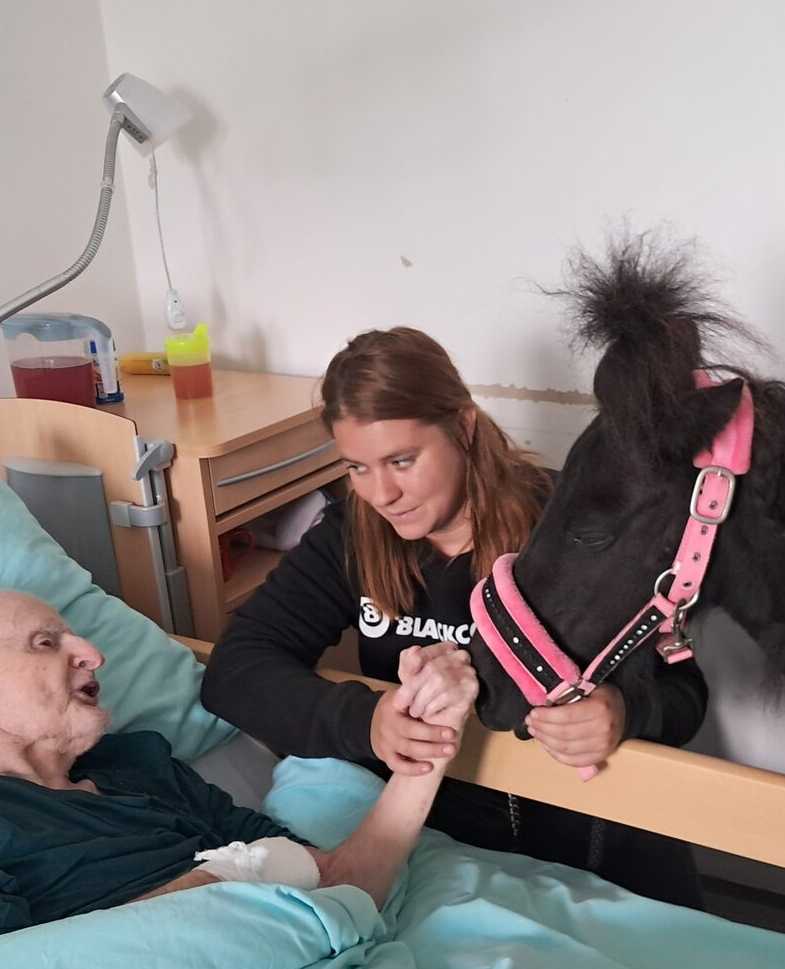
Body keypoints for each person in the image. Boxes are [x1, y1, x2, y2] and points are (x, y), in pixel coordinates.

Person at [201, 326, 708, 908]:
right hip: (444, 853)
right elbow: (235, 671)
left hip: (594, 849)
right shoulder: (349, 537)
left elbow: (685, 691)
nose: (381, 494)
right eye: (357, 468)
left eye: (401, 461)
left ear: (463, 427)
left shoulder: (570, 528)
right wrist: (368, 722)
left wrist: (623, 710)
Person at [0, 589, 455, 969]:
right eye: (45, 642)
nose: (93, 654)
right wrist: (230, 878)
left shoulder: (140, 766)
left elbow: (333, 887)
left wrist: (430, 738)